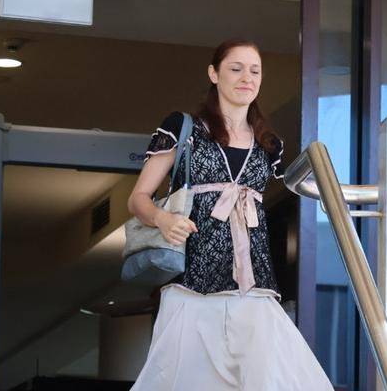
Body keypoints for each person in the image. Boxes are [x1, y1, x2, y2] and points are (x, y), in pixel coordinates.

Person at [127, 39, 333, 391]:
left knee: (280, 378)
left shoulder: (270, 145)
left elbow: (307, 186)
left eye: (255, 71)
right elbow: (138, 198)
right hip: (191, 280)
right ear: (214, 73)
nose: (246, 78)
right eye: (235, 69)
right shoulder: (184, 127)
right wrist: (163, 219)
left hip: (253, 284)